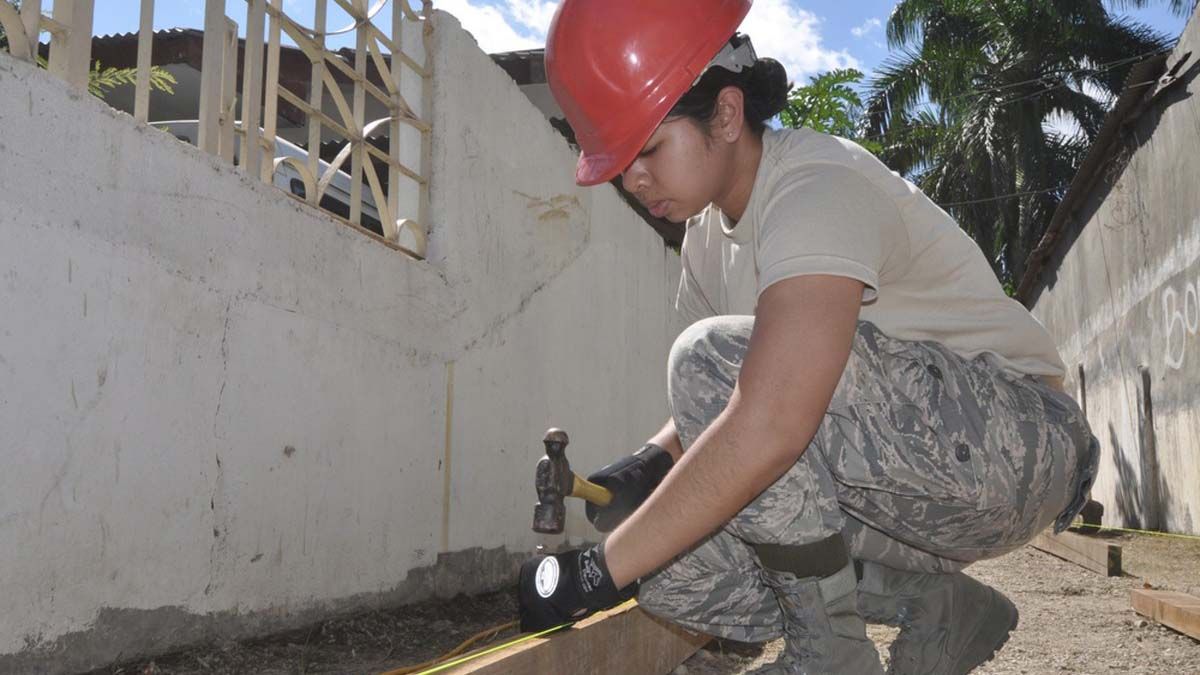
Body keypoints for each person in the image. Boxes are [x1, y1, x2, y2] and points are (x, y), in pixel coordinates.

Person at [516, 1, 1099, 673]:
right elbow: (728, 409)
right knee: (672, 556)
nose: (633, 178)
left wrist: (595, 573)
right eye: (619, 161)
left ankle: (831, 656)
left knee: (707, 377)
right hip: (916, 483)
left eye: (646, 148)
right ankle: (936, 602)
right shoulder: (706, 242)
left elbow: (768, 415)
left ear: (727, 114)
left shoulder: (816, 186)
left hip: (1021, 448)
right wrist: (649, 462)